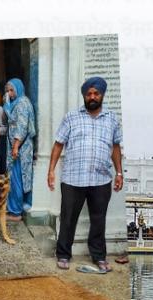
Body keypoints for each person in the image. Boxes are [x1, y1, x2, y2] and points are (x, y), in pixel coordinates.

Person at [48, 76, 123, 273]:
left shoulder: (112, 119)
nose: (92, 97)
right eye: (88, 94)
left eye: (96, 93)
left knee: (98, 220)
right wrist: (51, 170)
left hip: (101, 178)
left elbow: (115, 147)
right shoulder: (71, 117)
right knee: (68, 219)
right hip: (73, 178)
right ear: (84, 96)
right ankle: (63, 254)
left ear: (102, 95)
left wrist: (119, 172)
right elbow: (58, 144)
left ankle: (99, 256)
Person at [3, 78, 36, 221]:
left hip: (20, 149)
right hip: (15, 147)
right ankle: (14, 208)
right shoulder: (15, 103)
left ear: (19, 89)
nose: (9, 94)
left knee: (16, 178)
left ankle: (15, 212)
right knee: (14, 177)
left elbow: (22, 126)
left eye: (12, 90)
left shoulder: (22, 103)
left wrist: (16, 146)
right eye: (7, 91)